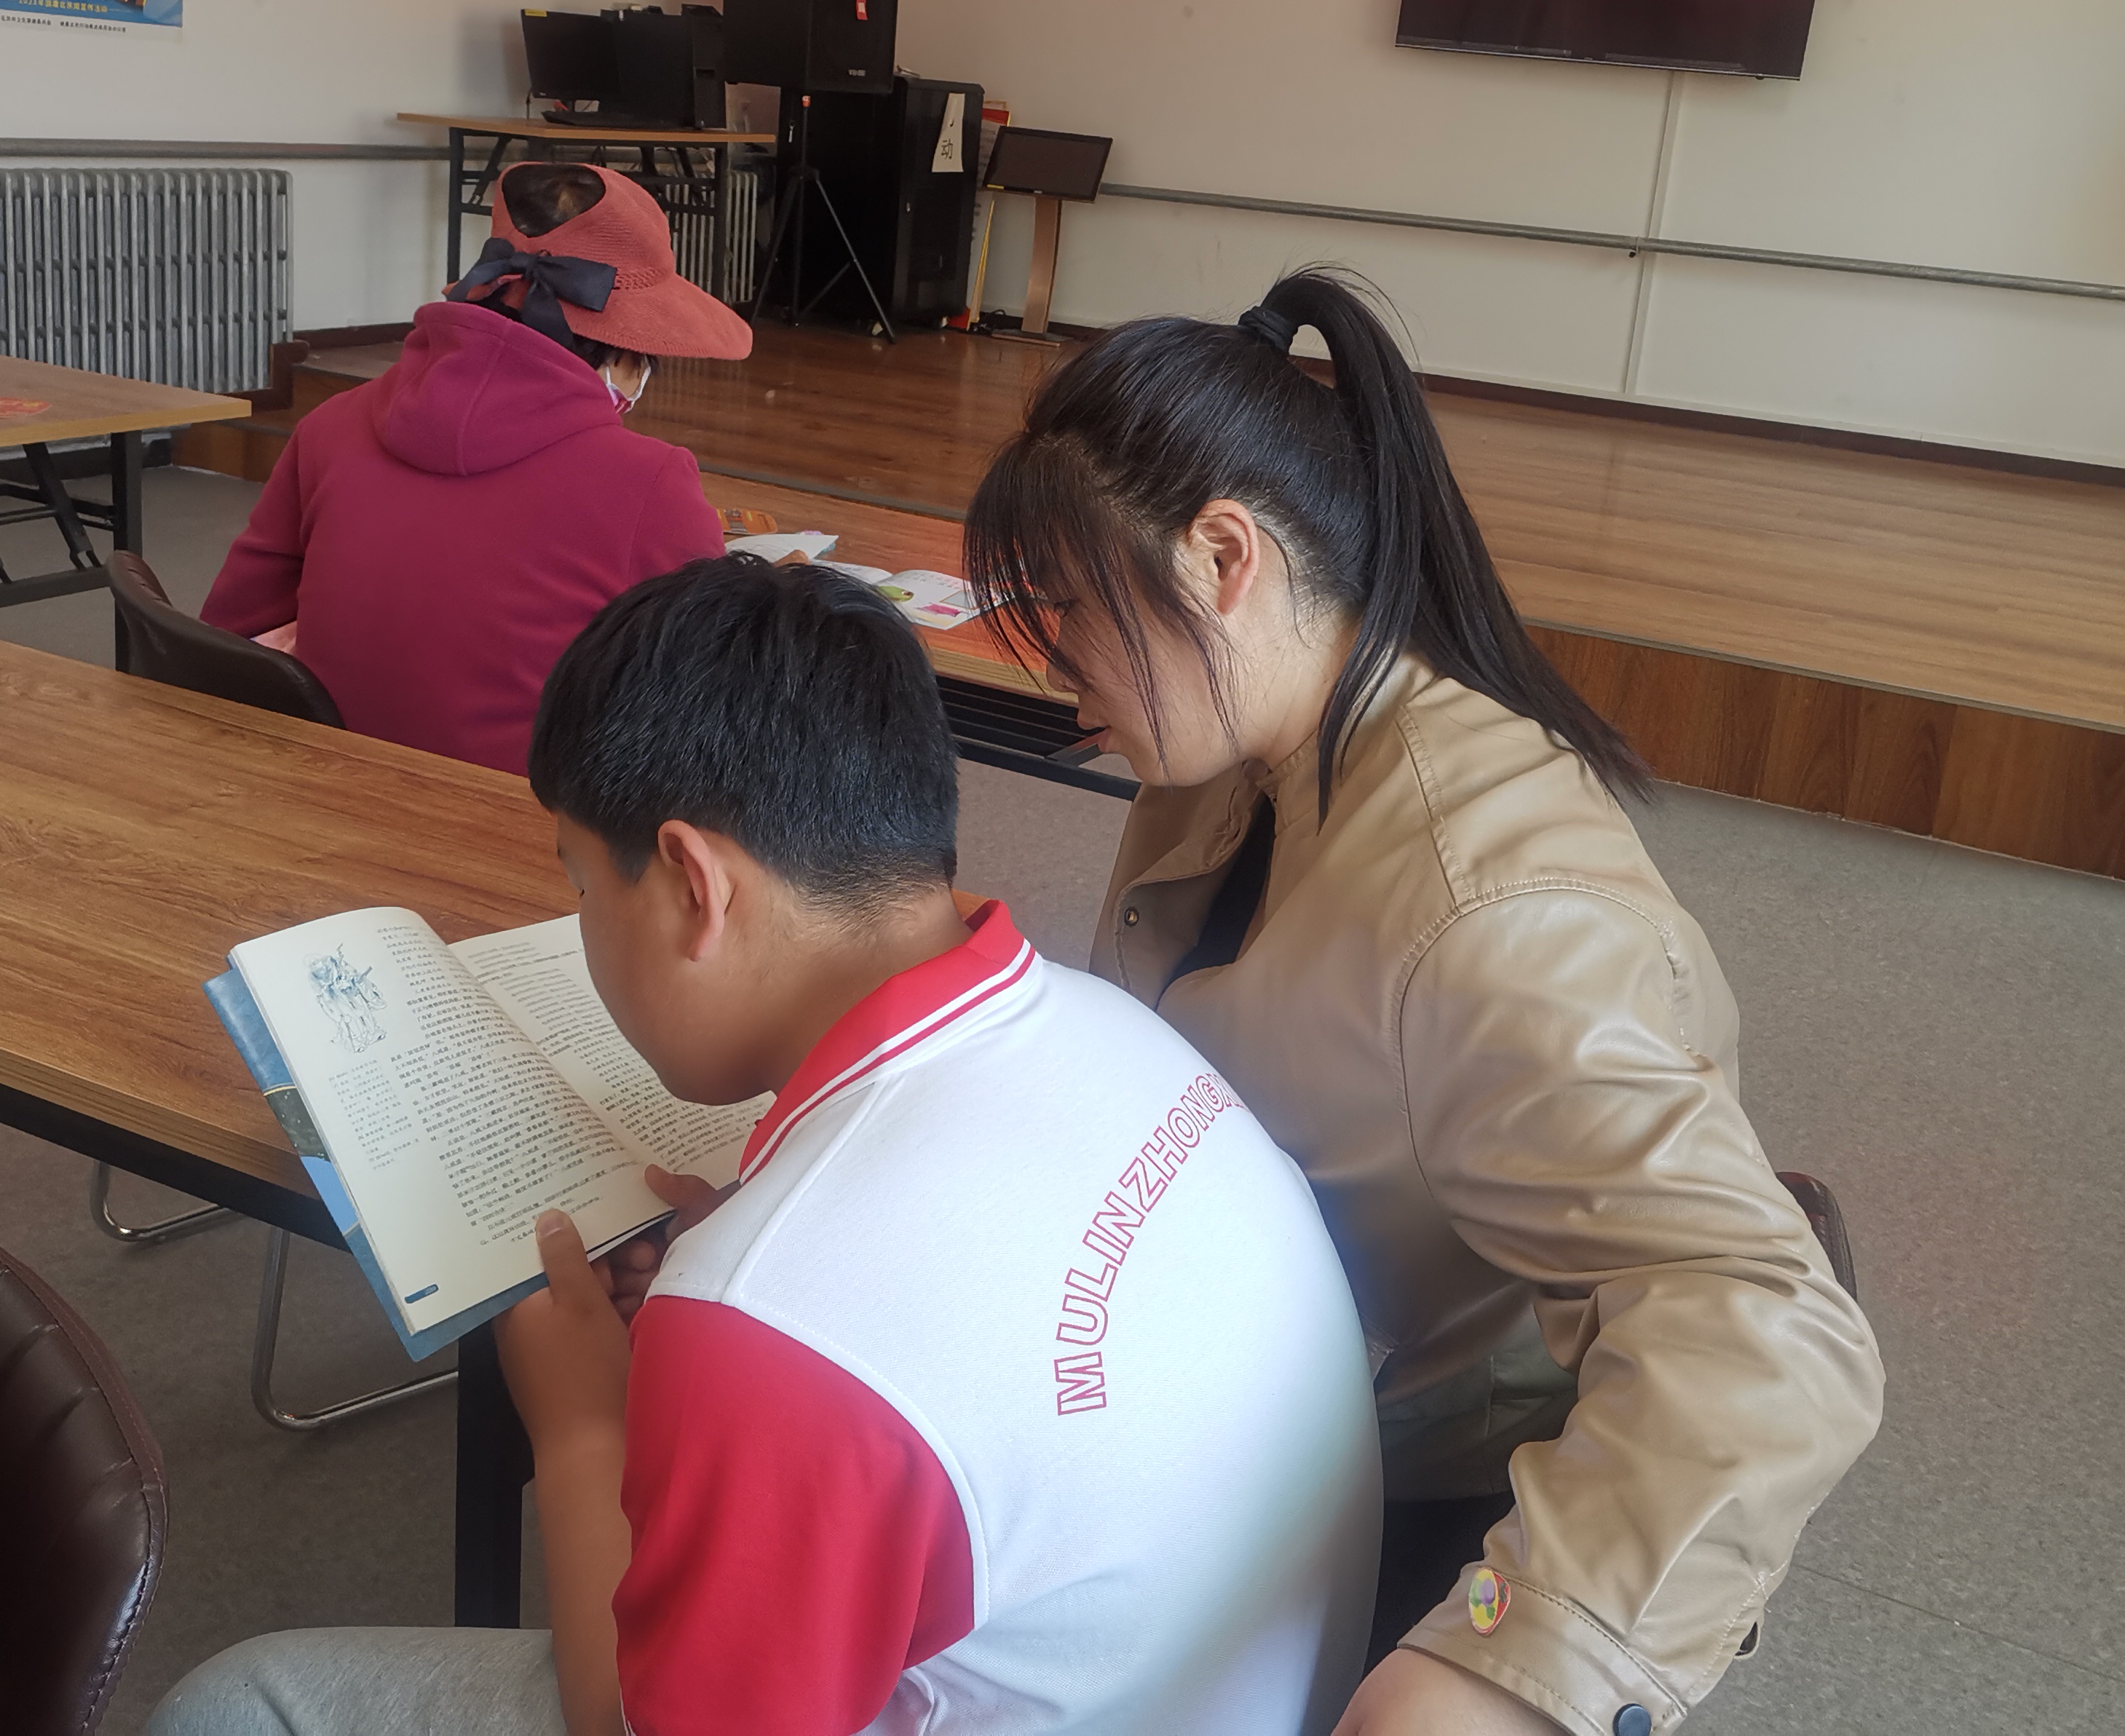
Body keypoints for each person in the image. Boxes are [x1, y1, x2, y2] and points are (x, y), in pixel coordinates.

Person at [149, 558, 1384, 1736]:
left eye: (581, 886)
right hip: (1251, 1682)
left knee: (238, 1705)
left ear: (694, 886)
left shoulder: (774, 1327)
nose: (582, 924)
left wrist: (581, 1427)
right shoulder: (1121, 1031)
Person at [962, 271, 1885, 1736]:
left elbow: (1762, 1331)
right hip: (1254, 1374)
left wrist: (1506, 1668)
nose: (1066, 677)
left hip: (1422, 1476)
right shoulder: (1238, 758)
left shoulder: (1493, 920)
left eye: (1067, 613)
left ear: (1221, 557)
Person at [200, 164, 746, 774]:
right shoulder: (651, 484)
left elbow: (227, 632)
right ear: (625, 352)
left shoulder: (330, 426)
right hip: (522, 818)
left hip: (317, 787)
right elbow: (712, 715)